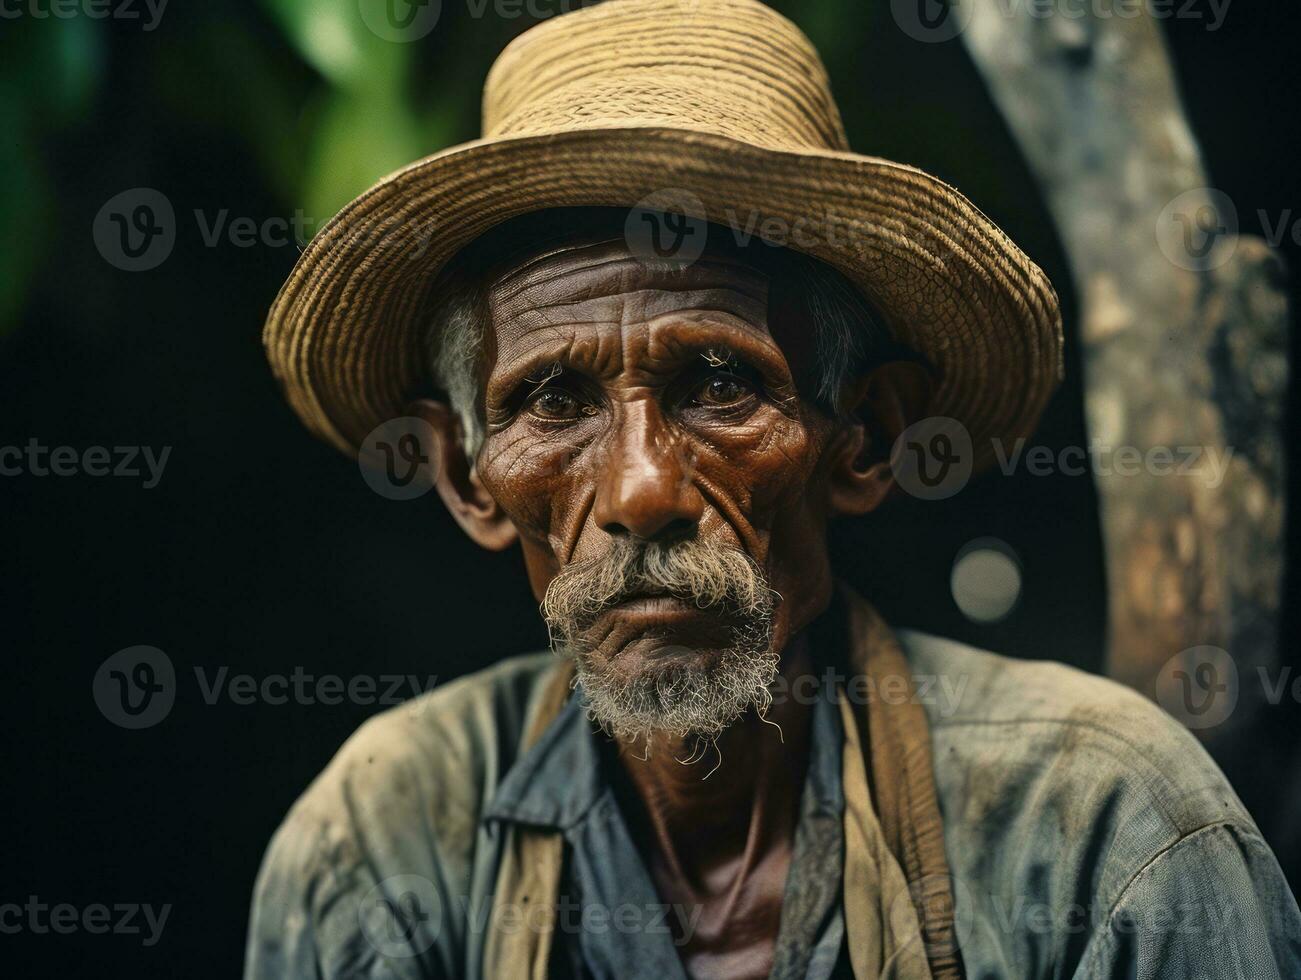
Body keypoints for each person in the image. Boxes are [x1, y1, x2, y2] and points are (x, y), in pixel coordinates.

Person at [247, 1, 1300, 977]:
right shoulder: (380, 844)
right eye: (555, 402)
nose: (642, 489)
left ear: (867, 438)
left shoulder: (1101, 834)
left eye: (718, 382)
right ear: (468, 481)